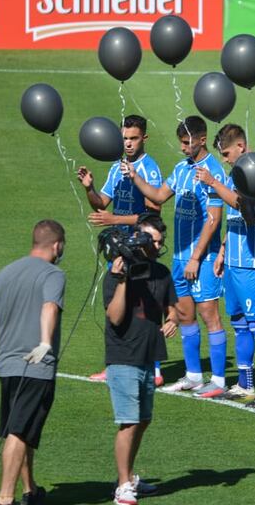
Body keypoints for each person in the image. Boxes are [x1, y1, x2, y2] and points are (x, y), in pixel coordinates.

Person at [125, 115, 228, 398]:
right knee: (184, 314)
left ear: (202, 140)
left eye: (186, 143)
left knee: (209, 315)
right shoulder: (182, 168)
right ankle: (193, 375)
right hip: (181, 257)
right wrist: (134, 176)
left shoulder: (213, 172)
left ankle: (219, 380)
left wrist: (196, 257)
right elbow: (159, 196)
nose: (182, 148)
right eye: (181, 143)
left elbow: (214, 219)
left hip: (201, 258)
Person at [0, 220, 66, 505]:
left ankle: (31, 490)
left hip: (6, 363)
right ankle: (5, 498)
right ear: (57, 245)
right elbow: (49, 306)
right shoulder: (53, 274)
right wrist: (45, 343)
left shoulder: (6, 272)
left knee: (23, 427)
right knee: (18, 432)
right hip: (35, 365)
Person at [195, 123, 255, 406]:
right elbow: (234, 219)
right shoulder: (233, 175)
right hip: (232, 263)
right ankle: (245, 383)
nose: (225, 159)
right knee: (240, 325)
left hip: (254, 265)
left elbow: (247, 210)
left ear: (241, 146)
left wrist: (213, 183)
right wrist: (222, 251)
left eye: (227, 153)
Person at [78, 115, 164, 384]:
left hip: (140, 249)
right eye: (124, 138)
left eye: (133, 138)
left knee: (144, 307)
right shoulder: (117, 168)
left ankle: (154, 368)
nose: (127, 143)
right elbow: (101, 203)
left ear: (144, 138)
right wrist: (89, 188)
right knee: (115, 307)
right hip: (118, 249)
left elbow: (154, 214)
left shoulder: (149, 169)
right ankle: (116, 364)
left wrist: (114, 219)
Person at [103, 213, 177, 505]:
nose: (157, 246)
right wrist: (122, 280)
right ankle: (123, 485)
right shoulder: (116, 273)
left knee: (143, 420)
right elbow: (115, 317)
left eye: (160, 241)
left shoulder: (162, 273)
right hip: (123, 356)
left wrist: (172, 319)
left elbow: (173, 308)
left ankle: (128, 476)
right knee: (129, 422)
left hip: (149, 356)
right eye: (153, 241)